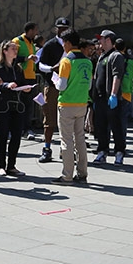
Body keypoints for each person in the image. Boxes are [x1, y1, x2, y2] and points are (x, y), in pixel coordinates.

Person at [52, 30, 93, 185]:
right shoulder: (88, 61)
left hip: (67, 104)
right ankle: (82, 173)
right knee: (80, 139)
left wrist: (56, 82)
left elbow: (61, 86)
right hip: (82, 103)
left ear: (68, 43)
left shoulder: (66, 61)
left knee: (66, 140)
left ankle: (67, 175)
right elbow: (89, 85)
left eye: (63, 43)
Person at [0, 40, 31, 176]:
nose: (15, 51)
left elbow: (22, 82)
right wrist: (6, 85)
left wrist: (26, 88)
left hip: (17, 104)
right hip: (2, 104)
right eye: (13, 48)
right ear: (5, 51)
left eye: (16, 49)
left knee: (17, 135)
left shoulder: (18, 67)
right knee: (2, 135)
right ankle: (2, 165)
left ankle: (11, 165)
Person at [36, 17, 71, 162]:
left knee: (68, 120)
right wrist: (52, 68)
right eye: (60, 28)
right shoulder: (50, 45)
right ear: (56, 29)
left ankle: (66, 150)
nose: (63, 31)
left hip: (69, 87)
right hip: (52, 85)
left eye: (65, 28)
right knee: (49, 119)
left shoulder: (73, 45)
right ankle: (47, 148)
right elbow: (40, 64)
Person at [91, 29, 126, 165]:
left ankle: (119, 152)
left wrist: (113, 94)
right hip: (99, 99)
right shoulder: (102, 56)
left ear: (108, 40)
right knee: (101, 127)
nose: (100, 42)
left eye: (102, 39)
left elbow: (117, 75)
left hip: (110, 98)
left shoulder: (116, 56)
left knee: (116, 126)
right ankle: (102, 151)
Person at [12, 21, 39, 139]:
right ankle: (21, 128)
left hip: (31, 76)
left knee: (29, 104)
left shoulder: (32, 43)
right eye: (35, 30)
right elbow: (12, 57)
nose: (36, 33)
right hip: (21, 77)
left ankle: (27, 128)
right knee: (21, 104)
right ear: (30, 30)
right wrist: (25, 58)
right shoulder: (17, 41)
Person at [115, 38, 133, 147]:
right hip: (127, 92)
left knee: (113, 120)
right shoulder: (131, 61)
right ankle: (121, 143)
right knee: (123, 120)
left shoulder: (114, 58)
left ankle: (113, 143)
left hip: (115, 92)